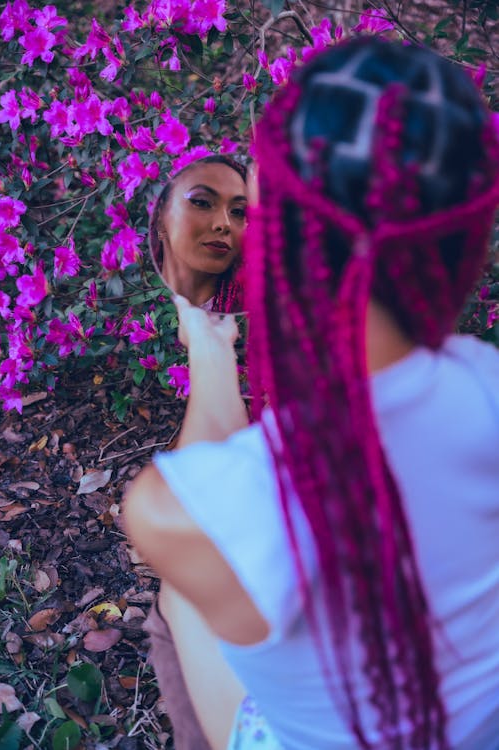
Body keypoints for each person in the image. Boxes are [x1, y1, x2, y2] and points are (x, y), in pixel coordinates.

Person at [125, 37, 499, 750]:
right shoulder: (487, 392)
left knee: (179, 603)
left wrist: (207, 340)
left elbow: (217, 499)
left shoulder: (171, 515)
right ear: (469, 241)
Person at [148, 155, 247, 313]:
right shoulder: (141, 298)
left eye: (238, 211)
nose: (224, 224)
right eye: (201, 202)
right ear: (161, 218)